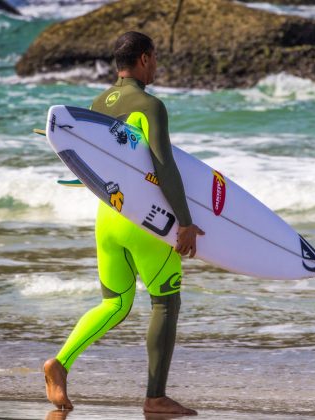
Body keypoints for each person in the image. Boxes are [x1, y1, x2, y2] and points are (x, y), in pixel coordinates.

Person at [43, 31, 204, 416]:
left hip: (108, 216)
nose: (157, 66)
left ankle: (59, 364)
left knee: (115, 303)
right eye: (156, 58)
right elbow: (163, 166)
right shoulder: (150, 105)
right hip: (144, 222)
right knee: (166, 302)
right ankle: (156, 397)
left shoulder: (96, 105)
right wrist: (184, 221)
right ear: (145, 59)